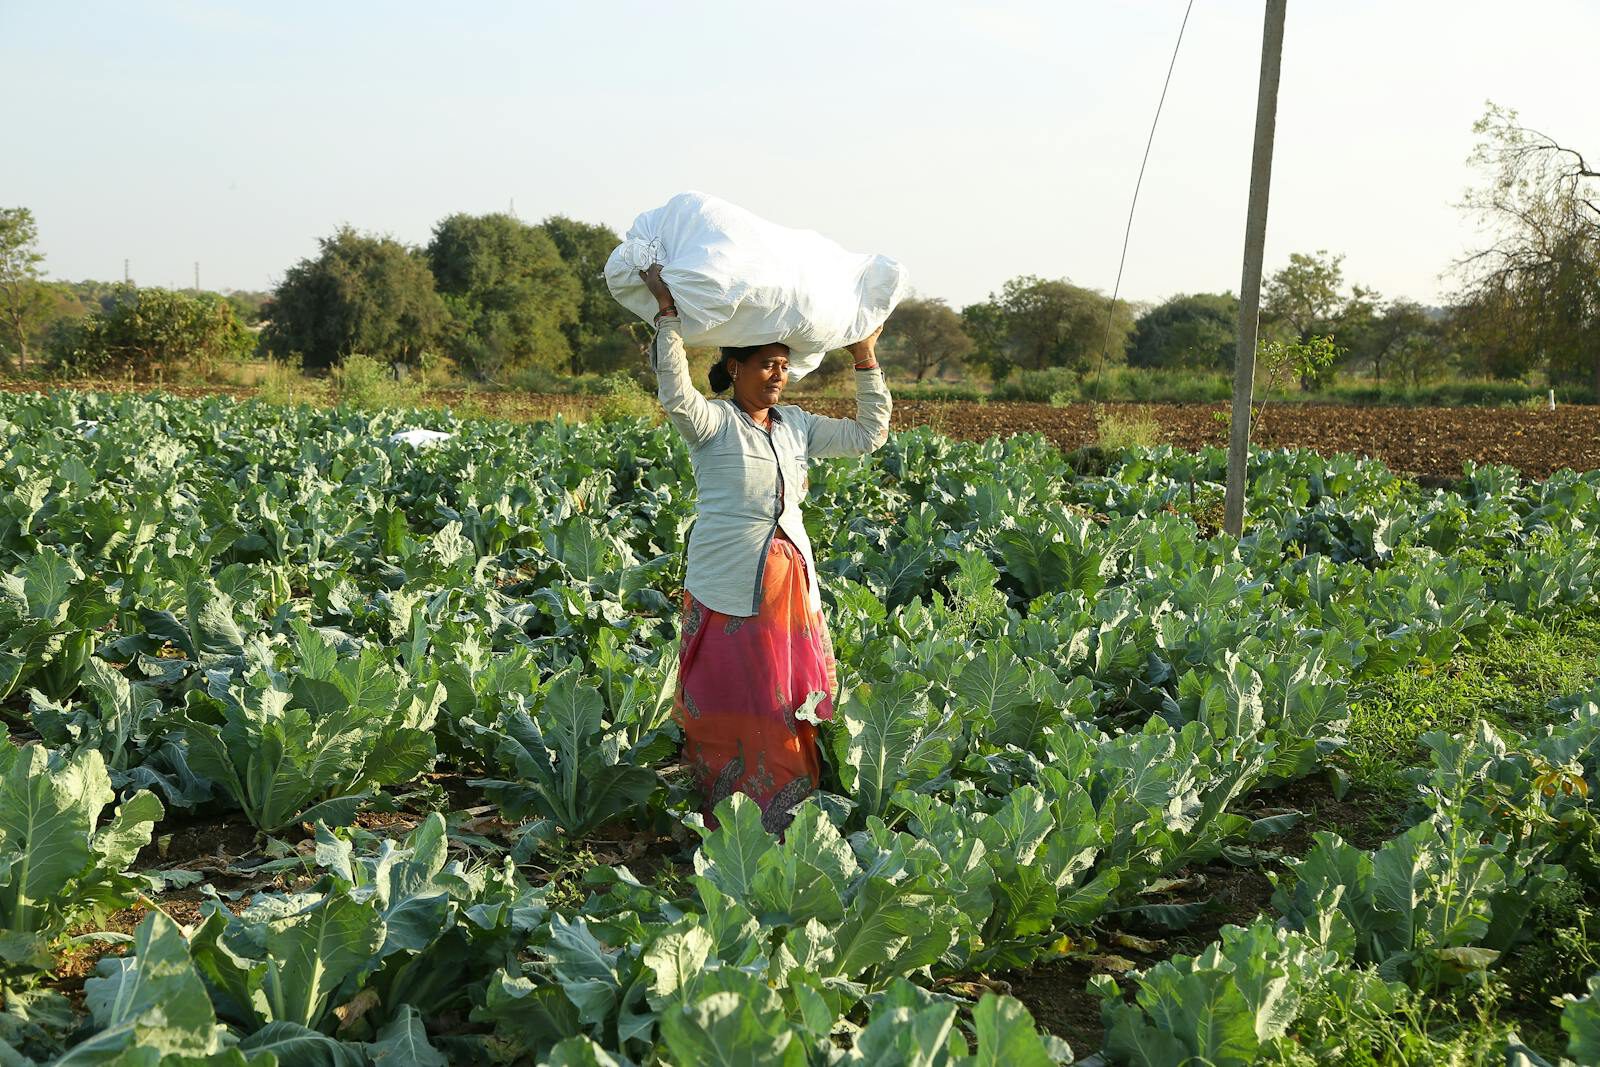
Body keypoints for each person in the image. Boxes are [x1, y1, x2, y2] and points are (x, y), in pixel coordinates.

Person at [638, 264, 891, 831]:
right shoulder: (712, 424)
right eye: (766, 365)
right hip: (728, 582)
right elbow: (674, 391)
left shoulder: (795, 425)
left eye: (783, 366)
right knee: (733, 692)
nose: (778, 375)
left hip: (790, 589)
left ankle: (786, 806)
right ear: (735, 367)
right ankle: (728, 806)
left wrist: (865, 358)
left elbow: (867, 436)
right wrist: (667, 314)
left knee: (782, 702)